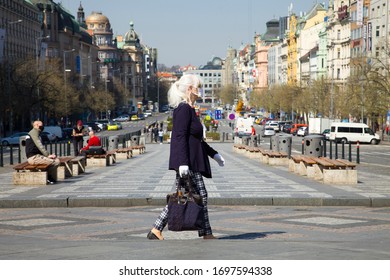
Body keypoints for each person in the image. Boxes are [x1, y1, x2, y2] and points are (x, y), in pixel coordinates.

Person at [147, 74, 225, 241]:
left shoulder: (189, 109)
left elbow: (197, 140)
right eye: (199, 86)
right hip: (188, 161)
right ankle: (206, 232)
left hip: (191, 160)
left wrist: (214, 155)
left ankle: (156, 229)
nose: (201, 90)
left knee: (180, 196)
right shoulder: (183, 109)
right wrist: (182, 163)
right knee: (200, 195)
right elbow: (180, 136)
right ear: (190, 89)